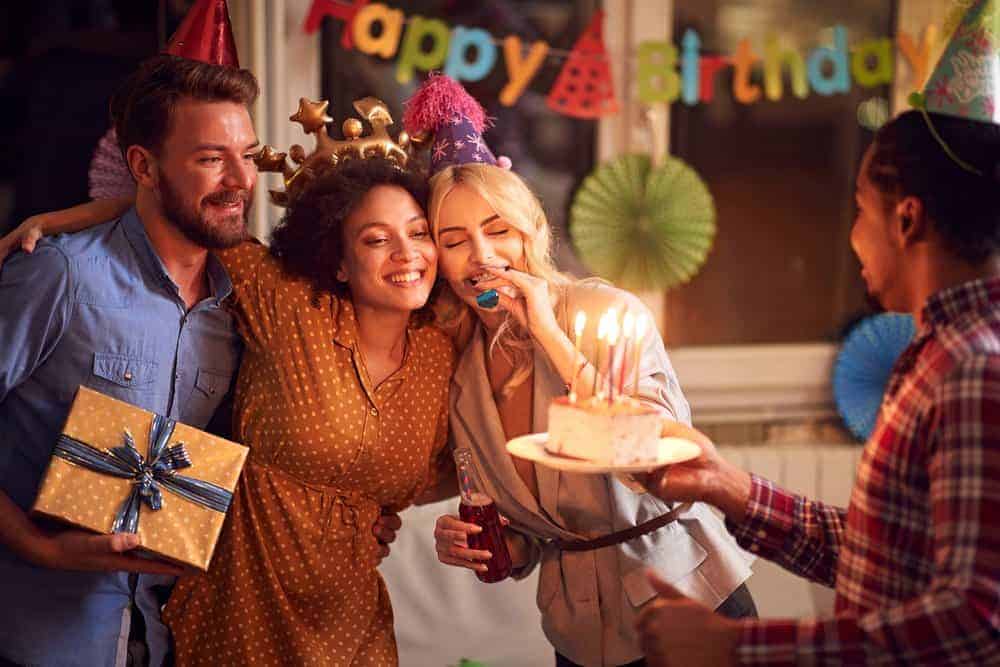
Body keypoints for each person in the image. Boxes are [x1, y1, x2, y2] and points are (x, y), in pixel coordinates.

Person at [3, 120, 456, 666]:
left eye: (419, 232)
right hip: (234, 614)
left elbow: (441, 472)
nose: (407, 253)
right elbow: (177, 215)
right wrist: (49, 221)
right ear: (337, 261)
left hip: (351, 628)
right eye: (377, 239)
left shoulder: (439, 354)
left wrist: (366, 513)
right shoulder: (287, 306)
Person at [632, 95, 1000, 667]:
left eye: (859, 209)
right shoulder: (935, 356)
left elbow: (977, 623)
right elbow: (888, 557)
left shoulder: (973, 371)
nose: (852, 234)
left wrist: (737, 646)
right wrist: (727, 486)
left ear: (906, 219)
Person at [407, 75, 757, 667]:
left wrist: (548, 331)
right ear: (437, 259)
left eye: (498, 232)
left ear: (532, 232)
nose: (484, 258)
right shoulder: (462, 377)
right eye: (455, 241)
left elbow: (652, 448)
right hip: (578, 634)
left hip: (686, 602)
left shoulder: (606, 311)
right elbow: (535, 529)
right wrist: (491, 546)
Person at [0, 53, 256, 667]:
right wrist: (42, 548)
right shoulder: (59, 273)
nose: (241, 180)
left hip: (167, 634)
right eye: (210, 158)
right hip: (34, 636)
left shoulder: (242, 301)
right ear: (142, 164)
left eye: (247, 153)